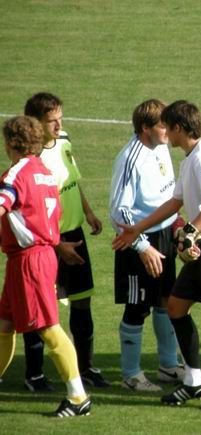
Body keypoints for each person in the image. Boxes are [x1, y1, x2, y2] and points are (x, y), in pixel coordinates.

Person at [112, 100, 201, 411]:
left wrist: (190, 232)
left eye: (167, 126)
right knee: (175, 306)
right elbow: (174, 203)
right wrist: (137, 229)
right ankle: (194, 381)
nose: (165, 133)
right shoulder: (189, 160)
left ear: (179, 128)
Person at [0, 116, 90, 417]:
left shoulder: (16, 174)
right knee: (5, 324)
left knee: (48, 327)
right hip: (37, 256)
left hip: (30, 260)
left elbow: (4, 203)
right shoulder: (44, 172)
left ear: (11, 143)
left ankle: (78, 397)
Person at [22, 92, 108, 390]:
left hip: (75, 235)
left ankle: (86, 367)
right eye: (52, 121)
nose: (59, 125)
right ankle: (34, 374)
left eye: (60, 118)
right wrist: (57, 244)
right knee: (42, 308)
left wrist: (88, 212)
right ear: (36, 123)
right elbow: (30, 213)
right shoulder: (31, 161)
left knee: (83, 301)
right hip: (48, 243)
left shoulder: (65, 141)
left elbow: (72, 181)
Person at [109, 99, 183, 392]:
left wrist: (177, 225)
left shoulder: (162, 147)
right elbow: (119, 212)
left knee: (167, 299)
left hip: (164, 234)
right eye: (162, 125)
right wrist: (142, 247)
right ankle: (131, 375)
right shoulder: (130, 159)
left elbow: (168, 194)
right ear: (145, 128)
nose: (168, 130)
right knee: (137, 307)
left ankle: (168, 365)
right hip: (138, 242)